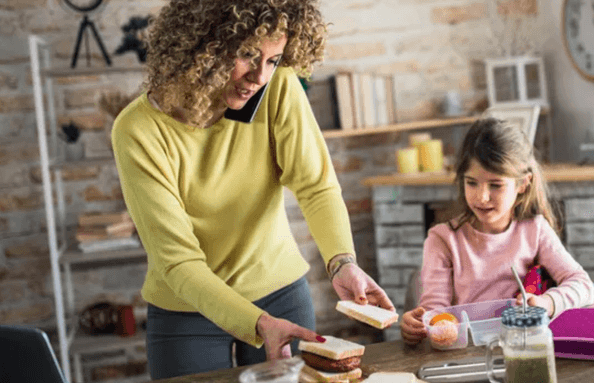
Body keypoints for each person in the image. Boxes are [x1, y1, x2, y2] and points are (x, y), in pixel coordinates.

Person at [110, 0, 394, 379]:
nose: (260, 76)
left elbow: (316, 186)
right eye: (246, 55)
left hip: (280, 294)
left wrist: (342, 263)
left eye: (273, 60)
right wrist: (256, 323)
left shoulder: (276, 88)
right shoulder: (138, 130)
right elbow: (177, 261)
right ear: (201, 46)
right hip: (187, 309)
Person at [399, 117, 594, 345]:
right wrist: (420, 324)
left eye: (495, 185)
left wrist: (548, 302)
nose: (482, 197)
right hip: (469, 351)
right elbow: (435, 311)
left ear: (523, 184)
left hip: (525, 347)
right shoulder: (442, 240)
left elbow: (582, 284)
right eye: (471, 182)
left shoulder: (535, 230)